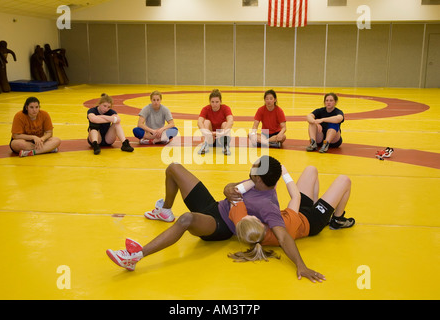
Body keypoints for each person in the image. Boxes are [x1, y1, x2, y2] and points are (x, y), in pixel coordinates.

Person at [106, 156, 324, 282]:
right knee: (173, 168)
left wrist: (301, 265)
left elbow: (284, 236)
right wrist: (227, 189)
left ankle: (135, 256)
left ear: (258, 177)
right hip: (213, 206)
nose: (251, 167)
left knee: (186, 219)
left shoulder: (269, 207)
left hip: (220, 224)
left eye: (254, 167)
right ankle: (164, 210)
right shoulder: (255, 182)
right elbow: (230, 188)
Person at [228, 165, 355, 250]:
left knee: (311, 170)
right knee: (344, 180)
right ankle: (337, 220)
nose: (250, 214)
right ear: (261, 223)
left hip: (297, 212)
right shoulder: (284, 224)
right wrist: (284, 174)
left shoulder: (254, 228)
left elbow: (240, 192)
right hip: (311, 221)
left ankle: (318, 206)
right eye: (251, 216)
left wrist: (269, 179)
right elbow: (296, 197)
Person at [197, 89, 233, 155]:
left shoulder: (225, 108)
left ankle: (225, 145)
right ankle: (205, 144)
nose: (214, 104)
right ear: (210, 102)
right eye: (212, 102)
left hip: (221, 137)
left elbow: (230, 121)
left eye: (217, 102)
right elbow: (199, 122)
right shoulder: (206, 109)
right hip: (210, 138)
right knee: (206, 122)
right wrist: (206, 132)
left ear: (220, 101)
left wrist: (223, 132)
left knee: (225, 123)